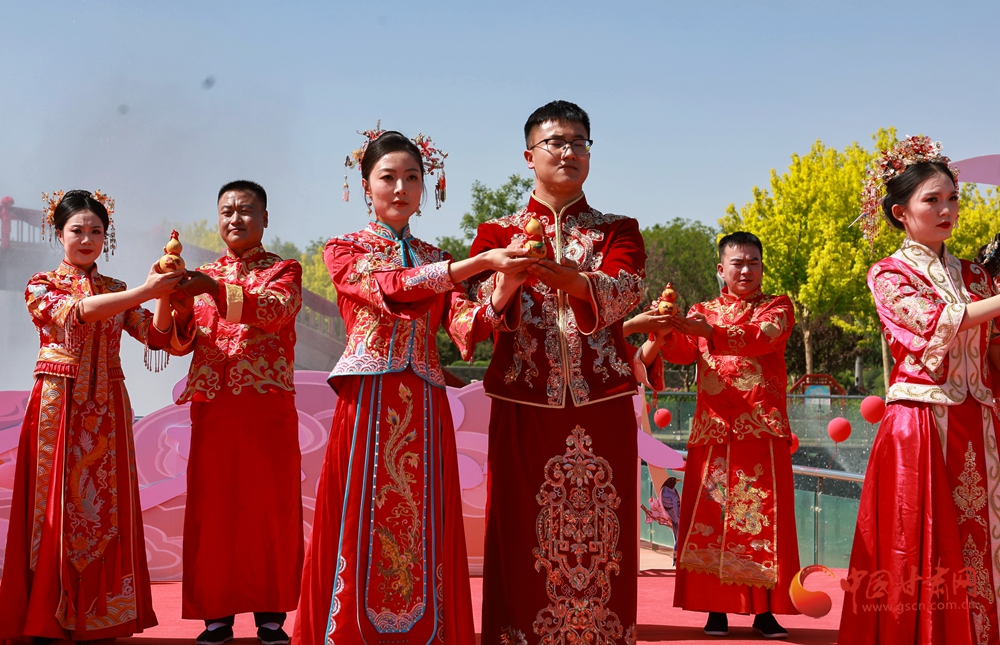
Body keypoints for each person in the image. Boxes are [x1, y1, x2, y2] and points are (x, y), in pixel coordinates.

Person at [292, 128, 533, 644]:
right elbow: (391, 287)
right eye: (388, 177)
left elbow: (465, 327)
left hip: (424, 402)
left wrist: (506, 286)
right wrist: (478, 264)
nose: (400, 188)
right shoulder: (344, 249)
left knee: (423, 522)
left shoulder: (435, 254)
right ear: (365, 186)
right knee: (359, 516)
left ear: (426, 187)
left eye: (412, 178)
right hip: (368, 401)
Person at [469, 100, 647, 644]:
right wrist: (506, 279)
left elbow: (623, 291)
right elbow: (469, 316)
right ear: (529, 156)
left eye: (579, 142)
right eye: (556, 142)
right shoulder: (495, 236)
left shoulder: (619, 230)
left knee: (604, 538)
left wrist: (554, 272)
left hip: (602, 404)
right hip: (523, 404)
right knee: (521, 534)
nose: (569, 152)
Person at [0, 190, 182, 641]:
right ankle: (47, 613)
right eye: (77, 230)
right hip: (57, 407)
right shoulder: (42, 284)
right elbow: (77, 314)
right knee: (53, 508)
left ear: (106, 236)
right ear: (58, 234)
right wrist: (147, 290)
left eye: (96, 231)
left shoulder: (118, 289)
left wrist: (165, 290)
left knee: (106, 508)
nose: (87, 239)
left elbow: (157, 337)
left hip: (107, 409)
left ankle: (102, 616)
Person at [838, 137, 1000, 645]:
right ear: (900, 212)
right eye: (932, 200)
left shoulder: (976, 275)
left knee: (984, 543)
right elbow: (936, 323)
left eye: (953, 198)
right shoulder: (889, 274)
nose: (947, 209)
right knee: (920, 548)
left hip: (980, 425)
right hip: (921, 429)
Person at [626, 231, 799, 639]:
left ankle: (764, 612)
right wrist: (666, 329)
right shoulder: (702, 311)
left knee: (762, 521)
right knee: (710, 521)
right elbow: (681, 352)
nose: (746, 270)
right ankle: (714, 610)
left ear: (762, 267)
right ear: (721, 269)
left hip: (761, 428)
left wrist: (701, 330)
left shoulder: (777, 307)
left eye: (753, 262)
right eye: (737, 263)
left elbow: (762, 337)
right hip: (713, 430)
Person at [167, 180, 304, 645]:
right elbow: (181, 343)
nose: (235, 219)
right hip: (214, 408)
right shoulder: (201, 274)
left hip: (266, 408)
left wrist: (212, 289)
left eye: (245, 210)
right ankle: (216, 616)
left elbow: (274, 311)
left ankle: (271, 617)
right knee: (214, 508)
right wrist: (177, 305)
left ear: (264, 218)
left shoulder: (284, 270)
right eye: (226, 211)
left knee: (269, 508)